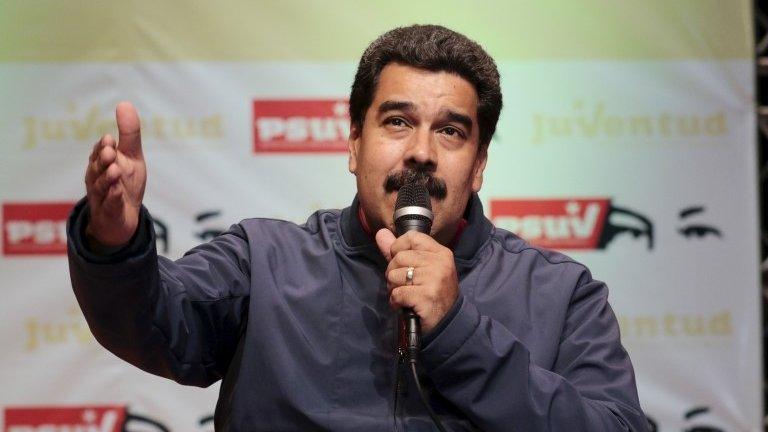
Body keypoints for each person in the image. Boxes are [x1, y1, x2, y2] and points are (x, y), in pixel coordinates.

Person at [67, 24, 648, 431]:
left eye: (450, 132)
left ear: (479, 165)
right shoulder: (265, 262)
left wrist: (461, 332)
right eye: (397, 122)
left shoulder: (561, 294)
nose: (421, 152)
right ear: (353, 144)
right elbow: (156, 324)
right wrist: (116, 245)